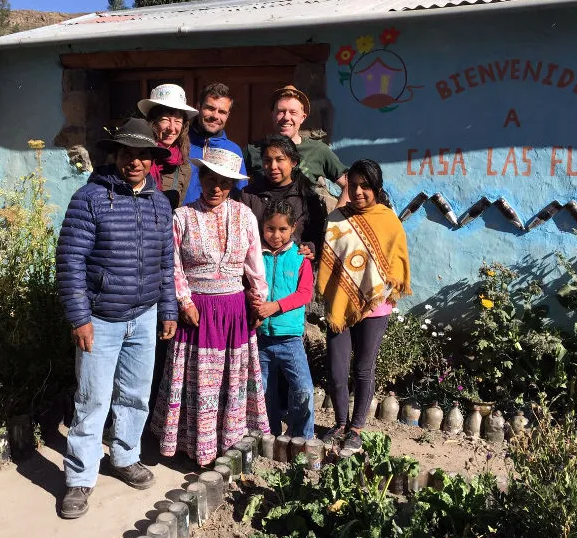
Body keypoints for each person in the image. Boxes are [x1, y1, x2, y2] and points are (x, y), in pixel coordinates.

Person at [56, 118, 177, 519]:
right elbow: (70, 261)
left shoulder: (160, 203)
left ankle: (125, 457)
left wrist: (168, 309)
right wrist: (79, 317)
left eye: (143, 155)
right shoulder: (89, 198)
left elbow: (165, 262)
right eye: (128, 153)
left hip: (144, 316)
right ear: (117, 155)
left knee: (135, 395)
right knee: (92, 400)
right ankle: (78, 478)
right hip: (101, 319)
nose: (135, 162)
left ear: (152, 160)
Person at [150, 147, 270, 466]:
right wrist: (184, 301)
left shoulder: (244, 216)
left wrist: (258, 300)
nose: (216, 188)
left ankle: (226, 444)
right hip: (197, 312)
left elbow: (254, 263)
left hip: (234, 312)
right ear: (200, 178)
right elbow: (171, 264)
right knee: (198, 381)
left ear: (232, 186)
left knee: (230, 379)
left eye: (225, 182)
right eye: (210, 179)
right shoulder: (182, 217)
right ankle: (196, 448)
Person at [316, 159, 411, 451]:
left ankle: (356, 428)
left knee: (363, 369)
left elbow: (397, 261)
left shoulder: (388, 220)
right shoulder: (337, 218)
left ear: (376, 188)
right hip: (341, 306)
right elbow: (330, 259)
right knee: (336, 369)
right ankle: (340, 423)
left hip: (375, 307)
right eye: (353, 185)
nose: (358, 191)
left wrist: (381, 289)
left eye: (365, 186)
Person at [253, 200, 315, 438]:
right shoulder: (256, 255)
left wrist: (275, 306)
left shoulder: (300, 258)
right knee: (262, 391)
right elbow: (248, 285)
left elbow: (304, 293)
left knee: (303, 390)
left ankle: (301, 438)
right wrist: (254, 304)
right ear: (262, 227)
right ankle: (268, 436)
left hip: (289, 338)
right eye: (270, 229)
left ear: (293, 228)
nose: (276, 235)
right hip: (261, 339)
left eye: (282, 229)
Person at [243, 85, 350, 206]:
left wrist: (336, 217)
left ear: (302, 117)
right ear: (273, 115)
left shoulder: (318, 150)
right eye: (281, 112)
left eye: (293, 112)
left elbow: (350, 184)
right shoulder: (253, 150)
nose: (286, 117)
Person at [240, 134, 327, 259]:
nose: (273, 166)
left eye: (279, 159)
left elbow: (318, 235)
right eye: (267, 160)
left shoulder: (307, 197)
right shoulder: (249, 195)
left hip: (294, 270)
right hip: (256, 268)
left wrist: (311, 247)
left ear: (293, 162)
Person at [183, 82, 248, 205]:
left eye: (222, 112)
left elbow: (240, 195)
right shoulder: (180, 143)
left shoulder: (233, 151)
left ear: (228, 115)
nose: (215, 116)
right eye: (210, 108)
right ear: (198, 107)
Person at [138, 84, 199, 209]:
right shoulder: (135, 157)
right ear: (152, 122)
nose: (172, 128)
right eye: (165, 119)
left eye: (177, 121)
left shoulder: (183, 167)